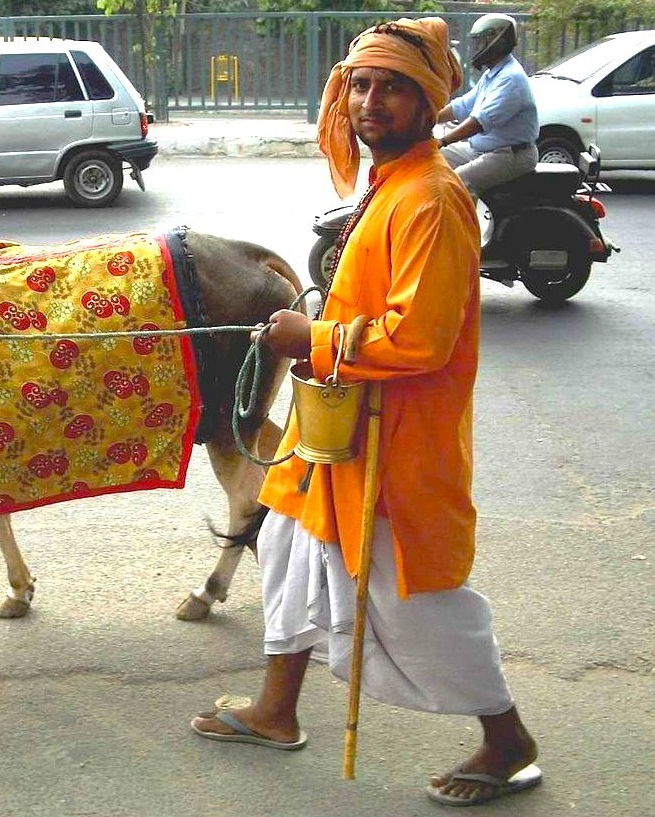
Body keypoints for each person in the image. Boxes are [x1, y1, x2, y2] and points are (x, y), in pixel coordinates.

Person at [189, 16, 541, 808]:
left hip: (395, 444)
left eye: (391, 88)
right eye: (359, 85)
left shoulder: (432, 199)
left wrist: (309, 337)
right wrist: (312, 331)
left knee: (412, 601)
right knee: (285, 546)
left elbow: (419, 338)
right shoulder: (385, 184)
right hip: (340, 430)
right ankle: (276, 709)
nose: (368, 102)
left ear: (428, 102)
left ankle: (507, 738)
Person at [436, 14, 539, 196]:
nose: (475, 48)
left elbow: (479, 122)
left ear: (497, 42)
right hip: (482, 150)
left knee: (453, 184)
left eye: (480, 42)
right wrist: (429, 118)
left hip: (510, 155)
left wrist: (443, 141)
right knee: (430, 159)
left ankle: (464, 215)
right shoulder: (494, 73)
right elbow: (463, 105)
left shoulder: (510, 78)